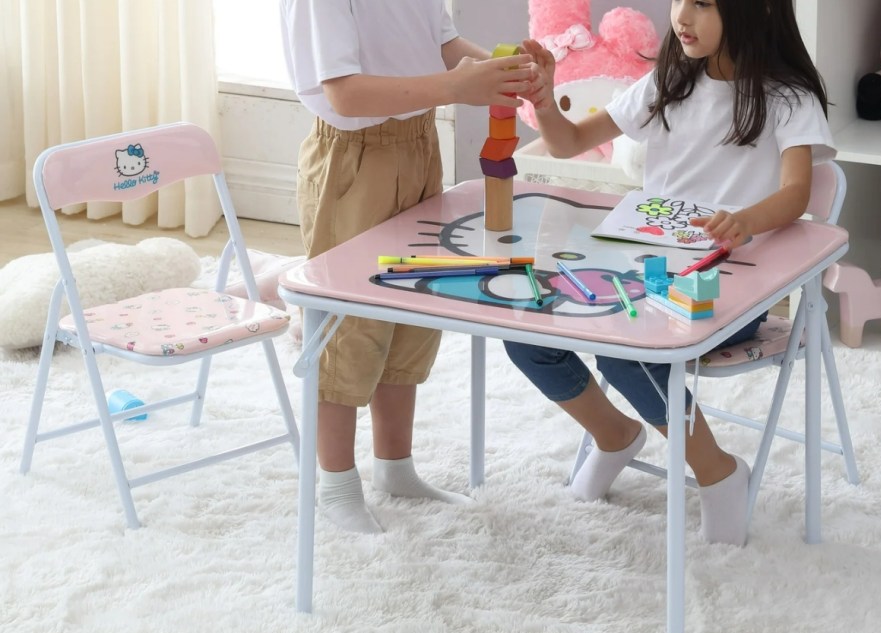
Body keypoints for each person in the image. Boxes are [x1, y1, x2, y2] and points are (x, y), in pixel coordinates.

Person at [511, 0, 834, 545]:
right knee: (525, 326)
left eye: (703, 4)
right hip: (642, 269)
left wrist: (745, 220)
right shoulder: (667, 83)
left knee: (626, 350)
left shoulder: (787, 97)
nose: (682, 15)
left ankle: (718, 472)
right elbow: (568, 142)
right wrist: (543, 97)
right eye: (680, 0)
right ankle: (614, 435)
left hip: (730, 287)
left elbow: (797, 193)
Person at [279, 1, 533, 534]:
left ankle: (395, 467)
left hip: (419, 142)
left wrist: (502, 73)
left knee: (413, 306)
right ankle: (336, 482)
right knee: (349, 321)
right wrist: (456, 89)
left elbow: (442, 48)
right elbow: (344, 93)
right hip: (354, 155)